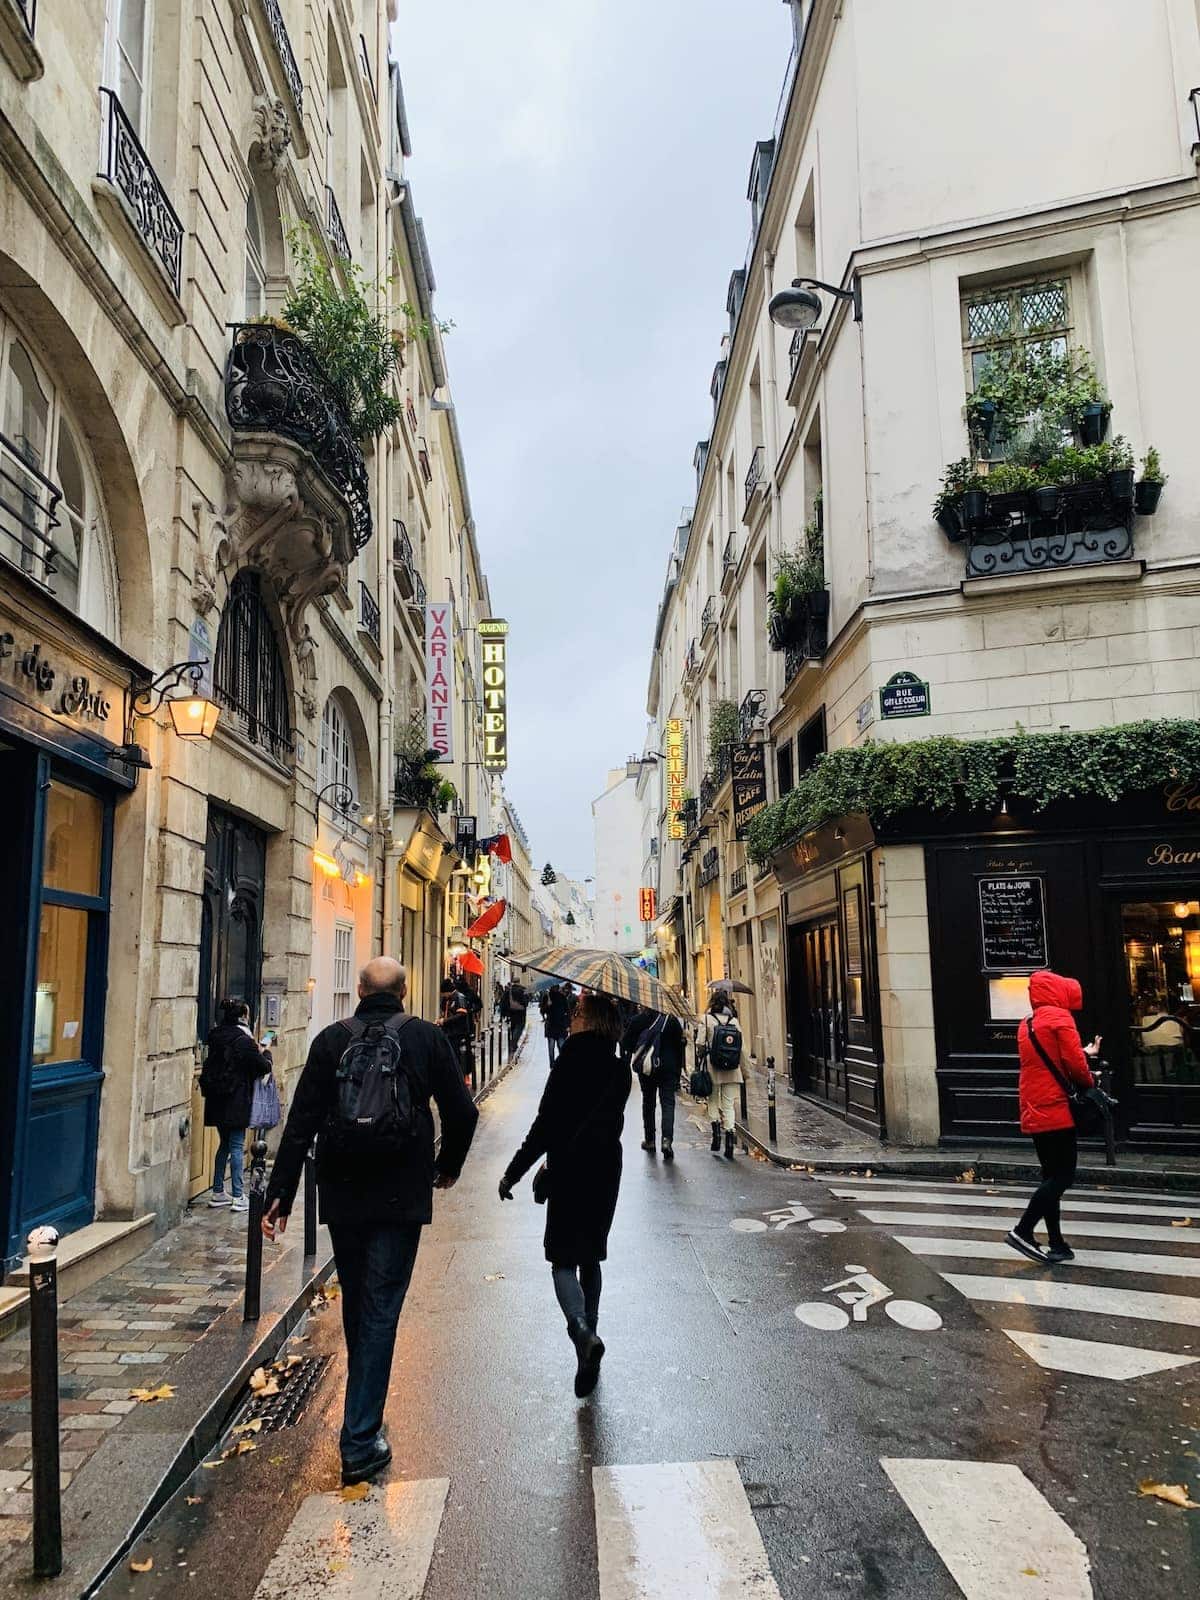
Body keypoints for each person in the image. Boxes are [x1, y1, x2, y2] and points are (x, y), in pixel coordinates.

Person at [262, 958, 478, 1484]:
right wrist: (446, 1168)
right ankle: (359, 1439)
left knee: (361, 1303)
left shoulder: (331, 1040)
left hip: (343, 1192)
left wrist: (281, 1195)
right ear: (404, 992)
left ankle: (362, 1418)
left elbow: (301, 1123)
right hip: (402, 1192)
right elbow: (463, 1111)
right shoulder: (425, 1037)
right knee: (381, 1306)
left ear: (359, 990)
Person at [498, 990, 631, 1398]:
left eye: (577, 1011)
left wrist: (514, 1172)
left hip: (570, 1169)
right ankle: (588, 1341)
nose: (571, 1016)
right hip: (606, 1170)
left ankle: (581, 1331)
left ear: (589, 1019)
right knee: (591, 1256)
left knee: (561, 1261)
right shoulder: (619, 1068)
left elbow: (545, 1126)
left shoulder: (569, 1061)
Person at [1007, 968, 1100, 1265]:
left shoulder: (1027, 1023)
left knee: (1051, 1176)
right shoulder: (1061, 1019)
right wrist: (1091, 1080)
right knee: (1063, 1176)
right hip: (1056, 1107)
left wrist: (1081, 1054)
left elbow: (1049, 1058)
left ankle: (1057, 1243)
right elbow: (1073, 1066)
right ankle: (1023, 1230)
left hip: (1033, 1106)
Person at [199, 997, 273, 1212]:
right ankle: (239, 1195)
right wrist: (266, 1052)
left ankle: (218, 1191)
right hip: (236, 1098)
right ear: (243, 1016)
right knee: (237, 1146)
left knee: (224, 1144)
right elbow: (261, 1067)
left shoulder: (216, 1034)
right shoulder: (243, 1040)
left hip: (216, 1097)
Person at [629, 1008, 685, 1160]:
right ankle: (666, 1140)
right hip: (669, 1068)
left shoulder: (638, 1020)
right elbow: (680, 1047)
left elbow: (626, 1043)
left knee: (648, 1102)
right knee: (668, 1103)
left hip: (647, 1069)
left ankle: (650, 1139)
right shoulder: (672, 1021)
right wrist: (679, 1069)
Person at [698, 995, 745, 1160]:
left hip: (713, 1068)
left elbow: (700, 1043)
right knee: (729, 1105)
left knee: (713, 1100)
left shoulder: (706, 1019)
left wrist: (701, 1055)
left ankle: (716, 1135)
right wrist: (745, 1071)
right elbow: (742, 1048)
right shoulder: (734, 1021)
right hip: (732, 1069)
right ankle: (730, 1140)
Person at [438, 975, 474, 1080]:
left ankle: (462, 1076)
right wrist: (441, 1019)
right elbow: (445, 1012)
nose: (443, 995)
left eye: (443, 993)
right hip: (449, 1032)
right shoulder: (447, 1000)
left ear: (447, 991)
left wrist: (444, 1021)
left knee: (458, 1054)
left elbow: (461, 1014)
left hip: (458, 1033)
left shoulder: (459, 997)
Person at [544, 982, 571, 1066]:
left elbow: (567, 1011)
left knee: (561, 1046)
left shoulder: (562, 997)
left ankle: (560, 1063)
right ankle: (552, 1064)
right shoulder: (547, 997)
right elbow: (543, 1011)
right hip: (552, 1025)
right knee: (551, 1048)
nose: (555, 988)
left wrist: (567, 1025)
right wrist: (547, 1005)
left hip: (560, 1026)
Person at [503, 978, 529, 1055]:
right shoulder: (523, 990)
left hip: (512, 1013)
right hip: (521, 1013)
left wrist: (506, 1013)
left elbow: (504, 1002)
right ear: (519, 982)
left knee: (513, 1027)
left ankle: (513, 1044)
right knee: (519, 1027)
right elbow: (526, 1002)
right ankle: (513, 1043)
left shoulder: (509, 991)